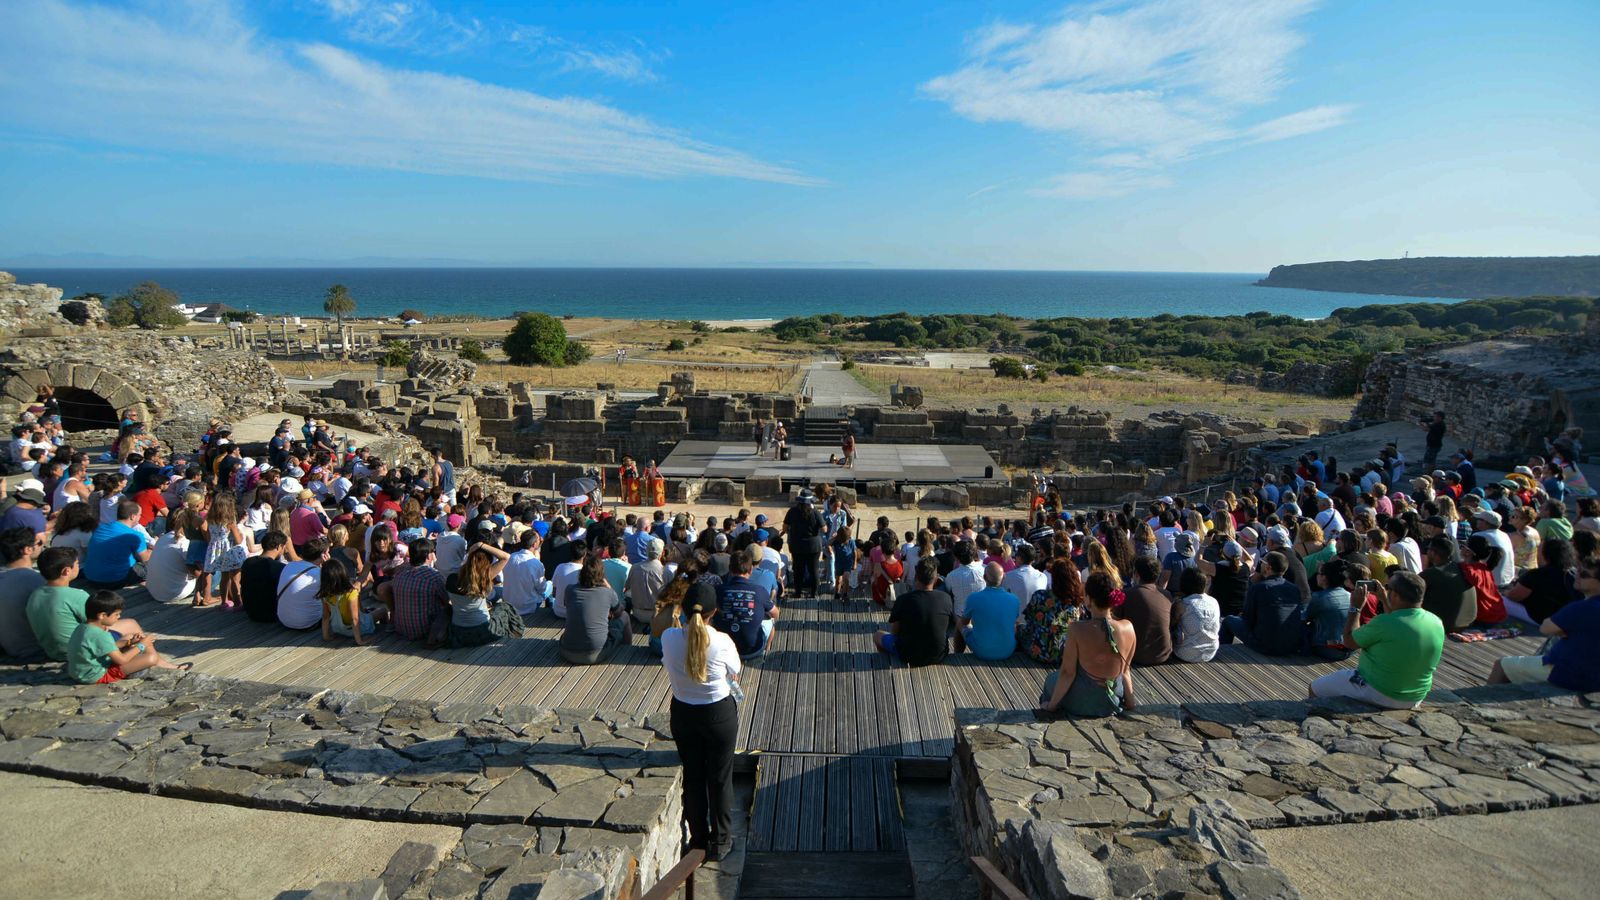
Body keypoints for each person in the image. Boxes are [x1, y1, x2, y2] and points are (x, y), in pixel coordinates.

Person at [662, 581, 741, 860]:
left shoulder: (669, 638)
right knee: (720, 779)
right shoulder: (722, 642)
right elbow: (735, 669)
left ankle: (698, 841)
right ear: (714, 611)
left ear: (683, 610)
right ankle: (720, 843)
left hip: (684, 713)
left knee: (693, 777)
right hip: (718, 714)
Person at [1309, 571, 1444, 710]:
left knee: (1315, 687)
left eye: (1388, 587)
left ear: (1395, 595)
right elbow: (1399, 621)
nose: (1385, 589)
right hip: (1415, 697)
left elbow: (1349, 642)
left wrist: (1355, 608)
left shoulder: (1383, 623)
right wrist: (1384, 599)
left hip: (1380, 692)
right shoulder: (1436, 621)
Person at [1489, 559, 1600, 690]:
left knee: (1502, 666)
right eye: (1578, 571)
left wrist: (1565, 630)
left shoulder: (1583, 607)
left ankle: (1483, 701)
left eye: (1584, 574)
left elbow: (1545, 628)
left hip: (1567, 672)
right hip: (1593, 675)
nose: (1577, 576)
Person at [1038, 572, 1137, 718]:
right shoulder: (1128, 627)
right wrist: (1130, 702)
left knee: (1051, 680)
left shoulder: (1076, 629)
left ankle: (1053, 710)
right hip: (1112, 701)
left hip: (1083, 701)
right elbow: (1125, 671)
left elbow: (1068, 673)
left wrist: (1051, 706)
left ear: (1089, 599)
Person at [66, 590, 185, 683]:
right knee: (151, 658)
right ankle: (156, 663)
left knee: (131, 636)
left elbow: (106, 646)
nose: (119, 617)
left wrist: (129, 642)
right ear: (102, 615)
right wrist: (142, 645)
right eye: (116, 614)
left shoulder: (83, 627)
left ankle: (150, 660)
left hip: (80, 672)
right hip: (96, 675)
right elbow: (121, 660)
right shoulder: (100, 635)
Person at [873, 557, 954, 666]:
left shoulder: (903, 599)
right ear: (936, 579)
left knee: (877, 635)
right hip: (939, 654)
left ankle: (887, 662)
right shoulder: (946, 598)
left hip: (908, 655)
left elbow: (894, 632)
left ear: (916, 577)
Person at [1221, 551, 1304, 656]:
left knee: (1228, 620)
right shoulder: (1294, 589)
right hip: (1290, 645)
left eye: (1262, 562)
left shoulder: (1259, 588)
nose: (1260, 565)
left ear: (1268, 567)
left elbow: (1248, 620)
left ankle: (1222, 654)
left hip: (1265, 645)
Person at [448, 543, 523, 647]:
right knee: (505, 607)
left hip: (458, 632)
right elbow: (506, 557)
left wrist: (470, 554)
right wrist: (481, 545)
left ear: (468, 559)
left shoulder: (451, 579)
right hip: (482, 631)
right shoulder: (484, 578)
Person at [561, 554, 629, 664]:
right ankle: (628, 651)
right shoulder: (607, 592)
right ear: (601, 575)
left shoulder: (569, 590)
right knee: (625, 616)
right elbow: (619, 612)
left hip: (567, 651)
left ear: (582, 572)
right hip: (595, 654)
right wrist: (608, 586)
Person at [713, 549, 778, 659]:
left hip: (724, 650)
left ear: (730, 569)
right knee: (770, 620)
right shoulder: (760, 591)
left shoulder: (718, 590)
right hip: (753, 650)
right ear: (751, 569)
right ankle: (766, 651)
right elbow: (775, 614)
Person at [383, 538, 450, 643]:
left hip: (401, 628)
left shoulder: (400, 573)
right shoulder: (434, 576)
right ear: (428, 556)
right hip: (426, 630)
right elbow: (447, 600)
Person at [1504, 537, 1581, 624]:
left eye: (1539, 550)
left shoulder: (1537, 574)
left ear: (1546, 554)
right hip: (1564, 620)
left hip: (1540, 619)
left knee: (1501, 600)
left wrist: (1505, 592)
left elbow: (1514, 596)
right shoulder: (1574, 574)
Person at [81, 499, 151, 589]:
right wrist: (153, 548)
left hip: (91, 578)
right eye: (139, 515)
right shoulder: (135, 535)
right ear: (133, 517)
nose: (140, 517)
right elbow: (145, 559)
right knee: (152, 564)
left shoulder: (100, 528)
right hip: (115, 580)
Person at [0, 527, 46, 660]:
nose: (41, 546)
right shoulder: (37, 580)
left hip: (7, 646)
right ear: (27, 550)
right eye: (39, 543)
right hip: (33, 649)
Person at [960, 562, 1022, 660]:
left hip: (981, 651)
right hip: (1008, 651)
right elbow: (1014, 622)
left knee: (959, 624)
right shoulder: (1014, 599)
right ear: (1004, 577)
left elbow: (964, 622)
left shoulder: (973, 598)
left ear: (984, 577)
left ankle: (958, 654)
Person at [320, 556, 387, 644]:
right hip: (357, 629)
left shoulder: (325, 594)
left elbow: (326, 616)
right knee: (383, 611)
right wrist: (359, 641)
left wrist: (326, 636)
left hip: (337, 629)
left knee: (364, 612)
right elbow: (354, 619)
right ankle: (386, 629)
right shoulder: (351, 593)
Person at [1120, 556, 1172, 666]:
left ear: (1136, 574)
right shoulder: (1166, 594)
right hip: (1163, 654)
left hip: (1135, 655)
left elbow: (1116, 621)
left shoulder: (1126, 594)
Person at [1418, 536, 1476, 632]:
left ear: (1433, 553)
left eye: (1428, 549)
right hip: (1468, 624)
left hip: (1444, 626)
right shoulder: (1461, 568)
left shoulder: (1431, 574)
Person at [1304, 558, 1354, 661]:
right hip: (1349, 649)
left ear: (1324, 578)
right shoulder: (1350, 595)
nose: (1316, 575)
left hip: (1328, 649)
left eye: (1319, 573)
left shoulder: (1319, 597)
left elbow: (1305, 618)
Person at [1170, 567, 1221, 663]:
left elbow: (1170, 625)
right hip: (1210, 653)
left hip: (1185, 654)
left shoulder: (1182, 604)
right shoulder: (1214, 601)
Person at [276, 537, 327, 631]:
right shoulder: (320, 573)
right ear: (323, 555)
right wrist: (328, 566)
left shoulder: (289, 566)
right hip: (309, 623)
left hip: (284, 620)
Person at [781, 494, 825, 596]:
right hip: (813, 546)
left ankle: (798, 593)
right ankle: (814, 593)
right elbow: (824, 529)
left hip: (797, 545)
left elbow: (785, 528)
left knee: (798, 570)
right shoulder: (815, 512)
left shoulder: (792, 511)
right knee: (814, 570)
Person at [241, 531, 289, 623]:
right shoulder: (279, 567)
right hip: (272, 614)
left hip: (251, 612)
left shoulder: (247, 562)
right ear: (279, 546)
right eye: (284, 547)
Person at [501, 530, 548, 617]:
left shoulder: (510, 557)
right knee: (550, 585)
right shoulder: (536, 563)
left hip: (509, 604)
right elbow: (542, 589)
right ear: (534, 544)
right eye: (539, 540)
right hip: (528, 607)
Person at [144, 529, 197, 604]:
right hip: (174, 593)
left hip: (153, 591)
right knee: (211, 572)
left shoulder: (163, 537)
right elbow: (196, 572)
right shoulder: (184, 542)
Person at [627, 537, 669, 628]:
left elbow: (627, 586)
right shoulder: (664, 571)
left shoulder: (634, 567)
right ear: (662, 553)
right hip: (657, 615)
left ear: (646, 551)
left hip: (637, 613)